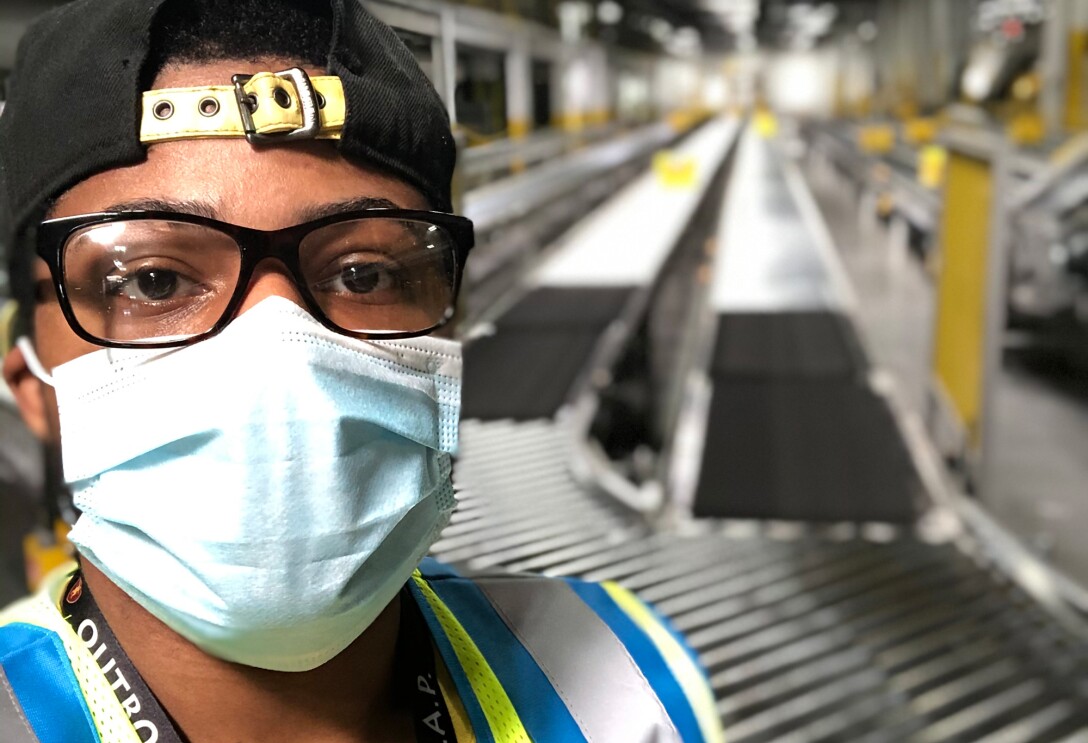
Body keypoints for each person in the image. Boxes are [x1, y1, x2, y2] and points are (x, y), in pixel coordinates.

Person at [0, 1, 723, 741]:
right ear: (32, 386)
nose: (282, 351)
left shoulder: (635, 688)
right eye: (153, 282)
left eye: (364, 273)